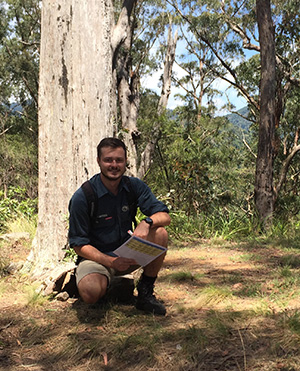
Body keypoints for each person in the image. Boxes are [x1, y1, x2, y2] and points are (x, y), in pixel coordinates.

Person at [68, 137, 171, 315]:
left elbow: (164, 216)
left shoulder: (133, 186)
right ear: (99, 161)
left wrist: (147, 223)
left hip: (128, 253)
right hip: (97, 258)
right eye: (108, 160)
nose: (114, 165)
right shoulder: (84, 196)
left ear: (125, 162)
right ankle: (106, 283)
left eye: (119, 160)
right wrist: (110, 261)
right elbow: (78, 245)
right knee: (90, 293)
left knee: (160, 233)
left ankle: (145, 293)